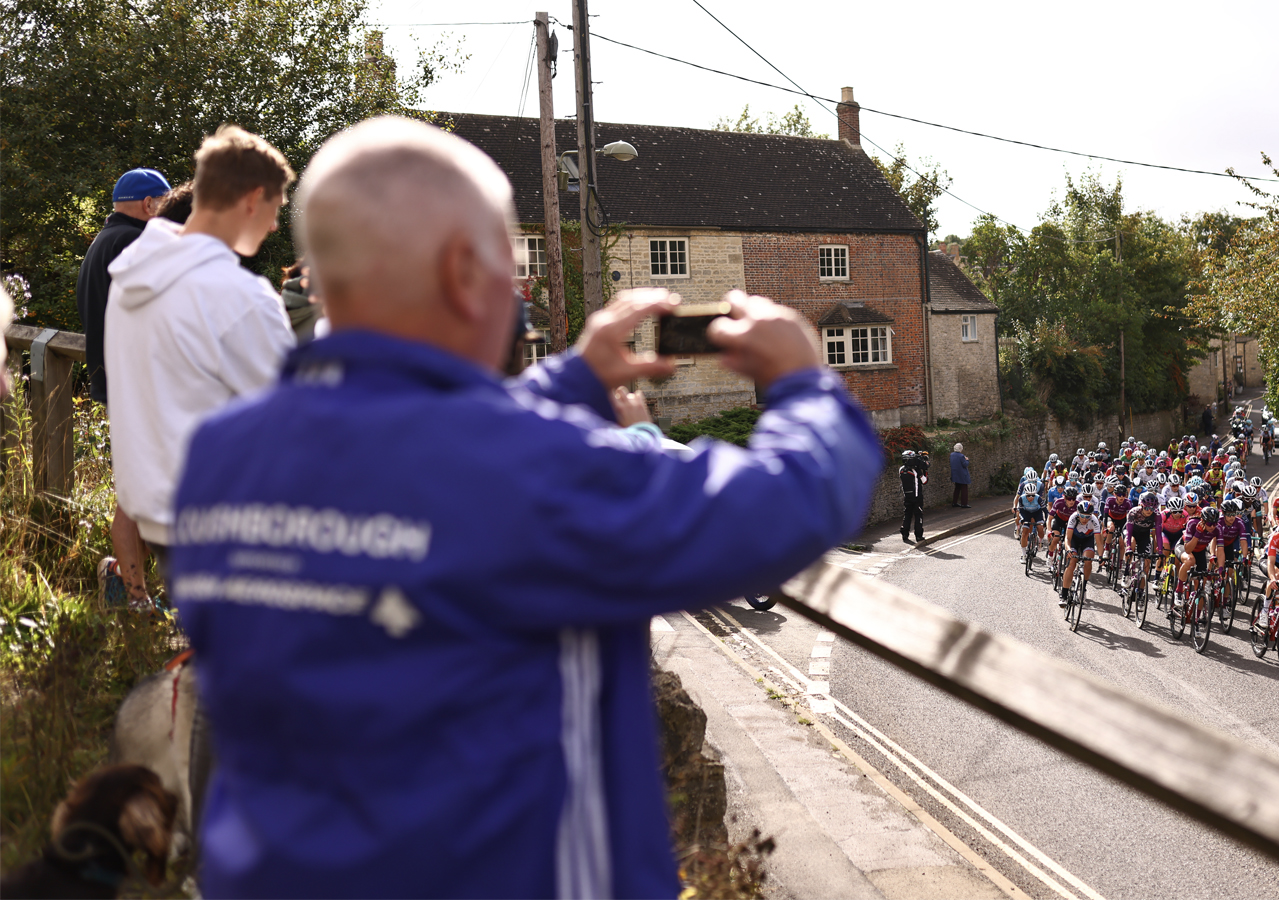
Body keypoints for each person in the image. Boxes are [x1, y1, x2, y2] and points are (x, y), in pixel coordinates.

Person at [167, 116, 880, 897]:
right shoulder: (532, 475)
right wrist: (805, 381)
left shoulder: (220, 454)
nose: (520, 290)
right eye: (512, 265)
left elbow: (425, 442)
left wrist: (570, 379)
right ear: (462, 268)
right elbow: (796, 499)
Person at [105, 127, 297, 566]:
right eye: (274, 209)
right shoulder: (240, 297)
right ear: (252, 198)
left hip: (154, 512)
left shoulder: (130, 277)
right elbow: (292, 421)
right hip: (222, 520)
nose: (272, 225)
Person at [78, 167, 171, 609]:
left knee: (142, 490)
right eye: (166, 206)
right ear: (149, 204)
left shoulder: (100, 243)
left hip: (112, 381)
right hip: (137, 384)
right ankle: (134, 596)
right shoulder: (134, 244)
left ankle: (122, 578)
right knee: (140, 495)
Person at [1058, 499, 1100, 599]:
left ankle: (1083, 587)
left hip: (1087, 540)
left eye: (1087, 516)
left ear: (1091, 515)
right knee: (1072, 562)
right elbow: (1067, 538)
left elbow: (1099, 541)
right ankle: (1064, 595)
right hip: (1074, 540)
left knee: (1088, 561)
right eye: (1082, 516)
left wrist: (1102, 556)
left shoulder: (1094, 520)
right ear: (1078, 513)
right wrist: (1068, 549)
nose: (1084, 519)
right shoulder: (1073, 517)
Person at [900, 449, 927, 543]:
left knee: (907, 515)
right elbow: (925, 481)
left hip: (907, 496)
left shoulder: (901, 470)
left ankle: (904, 534)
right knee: (918, 516)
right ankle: (919, 536)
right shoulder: (916, 472)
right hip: (917, 497)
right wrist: (924, 470)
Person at [950, 442, 971, 507]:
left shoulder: (951, 455)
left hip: (955, 474)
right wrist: (967, 460)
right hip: (962, 474)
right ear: (961, 449)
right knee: (964, 488)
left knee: (957, 488)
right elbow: (965, 464)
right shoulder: (961, 456)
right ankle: (964, 503)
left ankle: (954, 502)